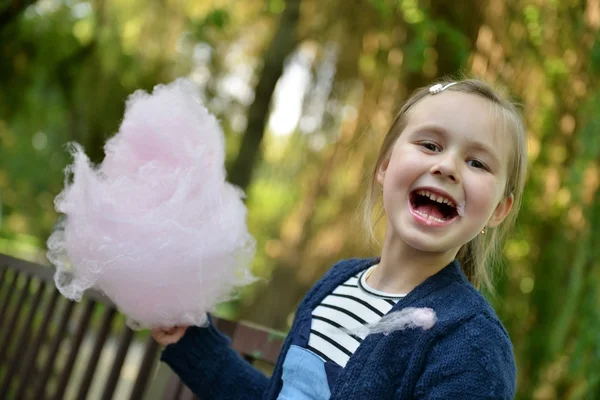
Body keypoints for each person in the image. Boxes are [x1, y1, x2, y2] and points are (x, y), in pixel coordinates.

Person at [152, 78, 527, 399]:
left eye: (477, 163)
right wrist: (190, 341)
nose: (446, 166)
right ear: (385, 166)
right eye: (430, 145)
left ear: (498, 209)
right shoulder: (337, 282)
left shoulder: (472, 345)